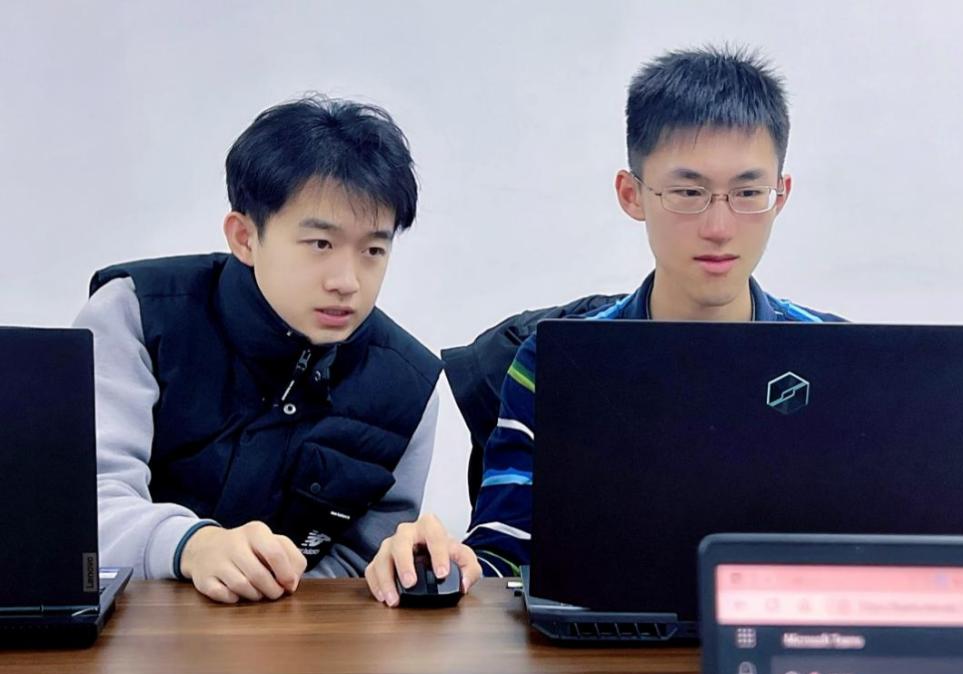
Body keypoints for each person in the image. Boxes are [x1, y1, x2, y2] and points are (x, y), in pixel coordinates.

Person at [364, 46, 843, 603]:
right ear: (632, 195)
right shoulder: (556, 362)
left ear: (780, 196)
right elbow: (504, 559)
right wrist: (442, 559)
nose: (719, 225)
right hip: (598, 646)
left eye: (748, 193)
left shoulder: (837, 359)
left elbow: (874, 549)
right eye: (688, 193)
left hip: (793, 640)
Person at [74, 96, 448, 604]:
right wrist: (192, 546)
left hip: (301, 644)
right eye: (320, 244)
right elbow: (81, 504)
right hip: (127, 635)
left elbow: (362, 562)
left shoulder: (409, 386)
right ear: (245, 237)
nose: (347, 281)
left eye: (373, 250)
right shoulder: (137, 314)